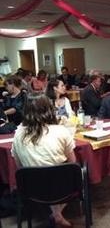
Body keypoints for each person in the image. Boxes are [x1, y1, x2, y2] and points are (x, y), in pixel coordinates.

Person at [11, 94, 76, 227]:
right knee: (74, 173)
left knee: (49, 176)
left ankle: (55, 215)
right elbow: (72, 163)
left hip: (32, 188)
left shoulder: (18, 134)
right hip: (62, 187)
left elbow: (19, 165)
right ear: (49, 109)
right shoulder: (61, 131)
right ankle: (57, 215)